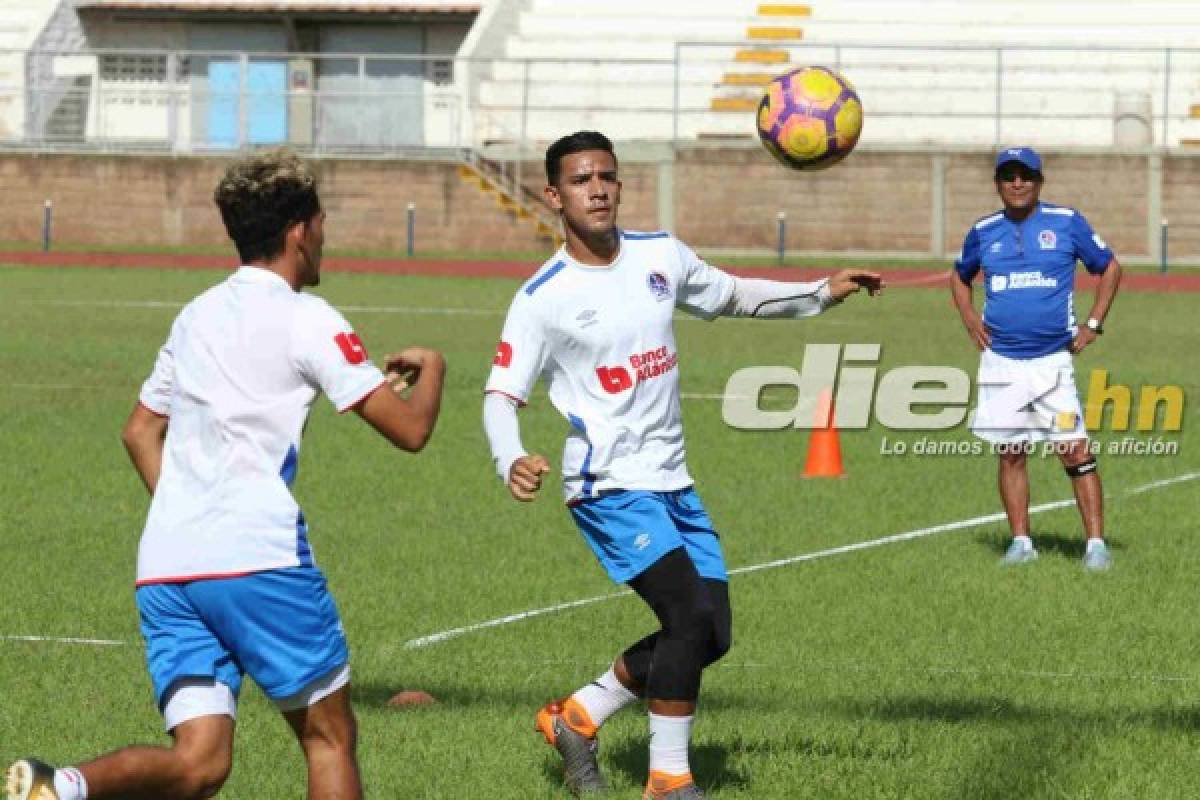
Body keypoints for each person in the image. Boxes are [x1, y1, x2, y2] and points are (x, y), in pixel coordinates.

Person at [5, 150, 446, 800]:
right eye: (321, 222)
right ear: (299, 230)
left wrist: (197, 515)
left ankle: (61, 787)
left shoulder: (195, 316)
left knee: (199, 764)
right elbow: (410, 432)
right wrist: (433, 367)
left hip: (168, 565)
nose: (324, 236)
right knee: (328, 739)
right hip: (258, 559)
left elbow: (138, 431)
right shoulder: (309, 318)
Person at [482, 130, 881, 799]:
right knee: (687, 618)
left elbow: (732, 294)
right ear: (554, 196)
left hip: (674, 480)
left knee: (711, 634)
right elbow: (501, 394)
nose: (598, 189)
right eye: (581, 180)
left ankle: (577, 716)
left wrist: (820, 291)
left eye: (606, 176)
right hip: (606, 484)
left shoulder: (658, 254)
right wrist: (511, 457)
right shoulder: (541, 297)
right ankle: (669, 780)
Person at [951, 146, 1121, 571]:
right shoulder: (984, 230)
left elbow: (1110, 267)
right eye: (1008, 176)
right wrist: (970, 316)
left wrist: (1094, 324)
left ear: (1039, 181)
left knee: (1074, 450)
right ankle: (1021, 542)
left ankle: (1096, 546)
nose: (1017, 183)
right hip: (1001, 364)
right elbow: (959, 276)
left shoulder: (1066, 223)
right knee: (1011, 451)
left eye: (1025, 175)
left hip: (1052, 366)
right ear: (998, 184)